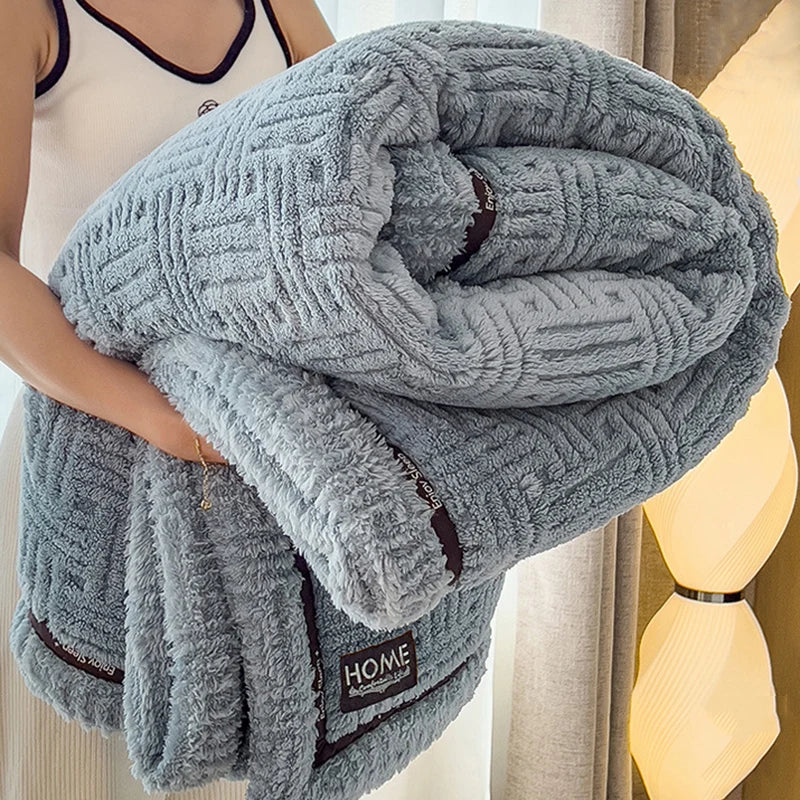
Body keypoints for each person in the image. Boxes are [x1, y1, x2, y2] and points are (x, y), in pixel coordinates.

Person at [0, 1, 499, 798]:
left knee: (265, 737)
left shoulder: (278, 8)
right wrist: (162, 419)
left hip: (265, 447)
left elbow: (365, 172)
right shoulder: (29, 16)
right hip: (95, 448)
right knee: (80, 769)